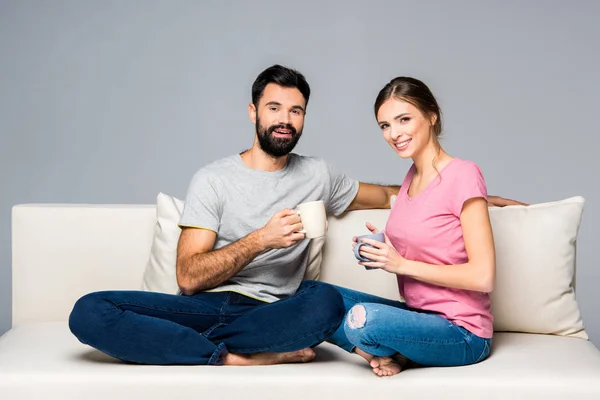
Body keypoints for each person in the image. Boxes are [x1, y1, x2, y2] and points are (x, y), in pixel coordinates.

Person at [68, 65, 523, 367]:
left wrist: (483, 198)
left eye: (296, 110)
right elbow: (188, 277)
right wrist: (261, 239)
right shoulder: (213, 179)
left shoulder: (319, 175)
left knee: (321, 300)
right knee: (89, 311)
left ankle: (244, 348)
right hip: (204, 307)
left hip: (277, 314)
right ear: (253, 112)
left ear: (304, 118)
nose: (285, 119)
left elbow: (395, 193)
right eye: (274, 108)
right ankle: (232, 359)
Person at [325, 76, 501, 377]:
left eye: (403, 119)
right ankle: (397, 350)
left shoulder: (464, 174)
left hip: (462, 332)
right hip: (418, 316)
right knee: (314, 298)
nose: (394, 133)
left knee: (361, 319)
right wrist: (383, 248)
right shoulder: (410, 179)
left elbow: (483, 277)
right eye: (385, 125)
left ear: (431, 115)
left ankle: (391, 350)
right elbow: (428, 240)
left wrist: (401, 264)